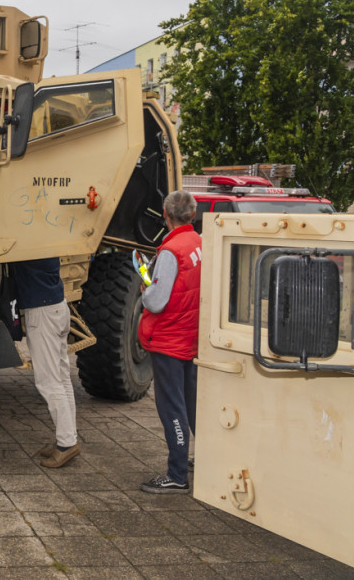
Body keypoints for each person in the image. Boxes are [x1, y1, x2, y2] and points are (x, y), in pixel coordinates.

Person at [138, 190, 202, 494]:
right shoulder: (199, 244)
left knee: (171, 408)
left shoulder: (170, 251)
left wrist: (145, 289)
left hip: (169, 339)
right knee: (193, 403)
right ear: (192, 215)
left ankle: (177, 474)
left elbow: (157, 301)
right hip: (190, 336)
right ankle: (205, 458)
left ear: (165, 214)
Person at [10, 257, 80, 468]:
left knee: (49, 382)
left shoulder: (29, 243)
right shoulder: (45, 238)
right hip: (58, 306)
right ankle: (67, 438)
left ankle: (67, 444)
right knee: (62, 377)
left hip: (42, 312)